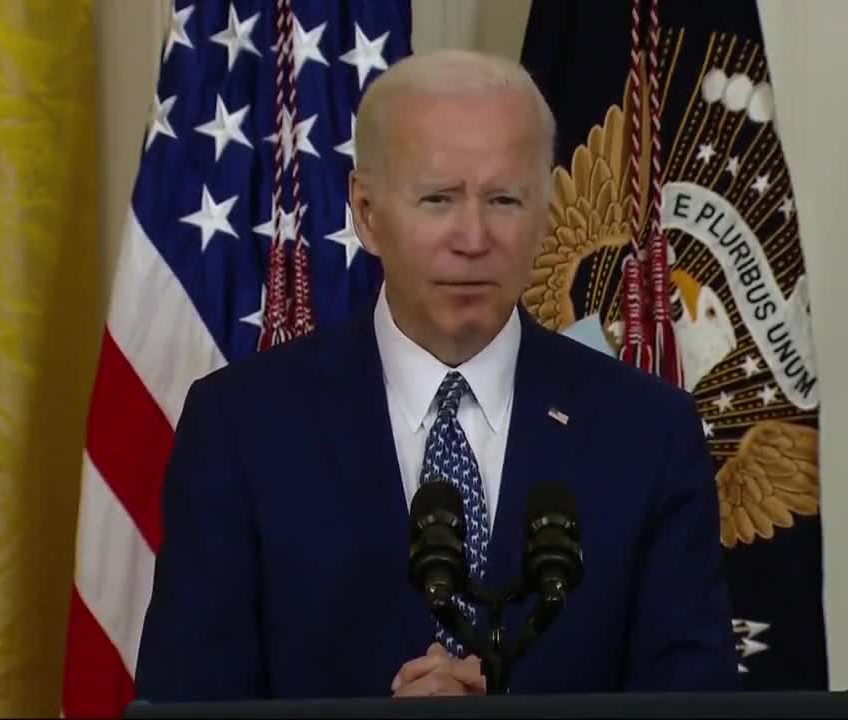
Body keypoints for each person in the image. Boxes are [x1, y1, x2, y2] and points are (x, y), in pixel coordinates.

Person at [134, 49, 739, 701]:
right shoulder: (242, 428)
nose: (473, 237)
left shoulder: (648, 433)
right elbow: (189, 704)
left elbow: (691, 701)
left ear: (544, 215)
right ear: (366, 213)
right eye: (438, 199)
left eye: (504, 199)